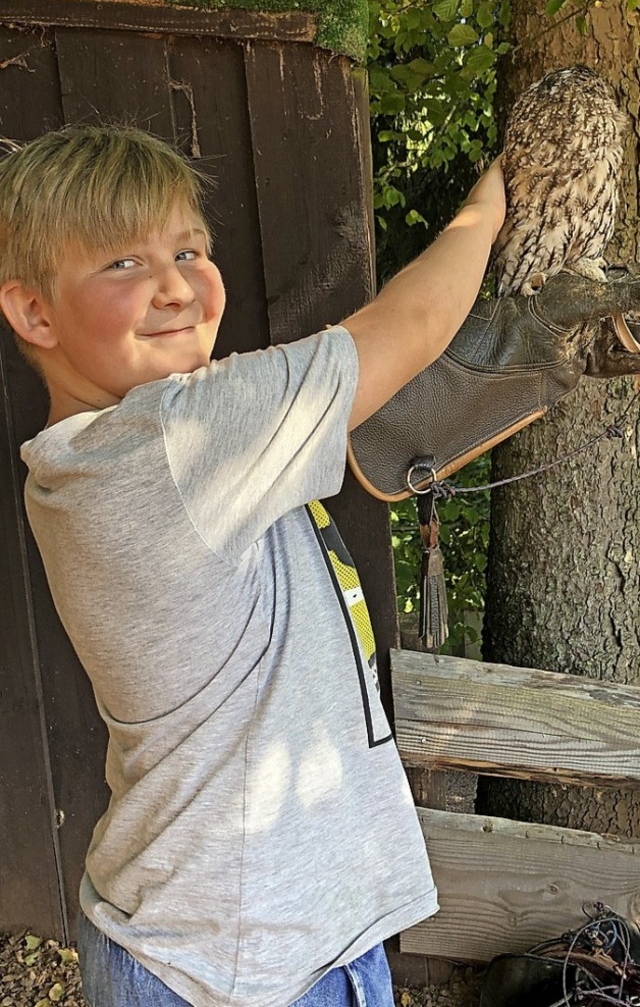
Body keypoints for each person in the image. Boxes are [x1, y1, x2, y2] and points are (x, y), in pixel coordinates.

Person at [0, 125, 505, 1007]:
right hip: (241, 970)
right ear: (35, 313)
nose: (174, 286)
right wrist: (505, 190)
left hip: (248, 936)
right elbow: (416, 323)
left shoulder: (94, 457)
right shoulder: (173, 443)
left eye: (190, 248)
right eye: (122, 263)